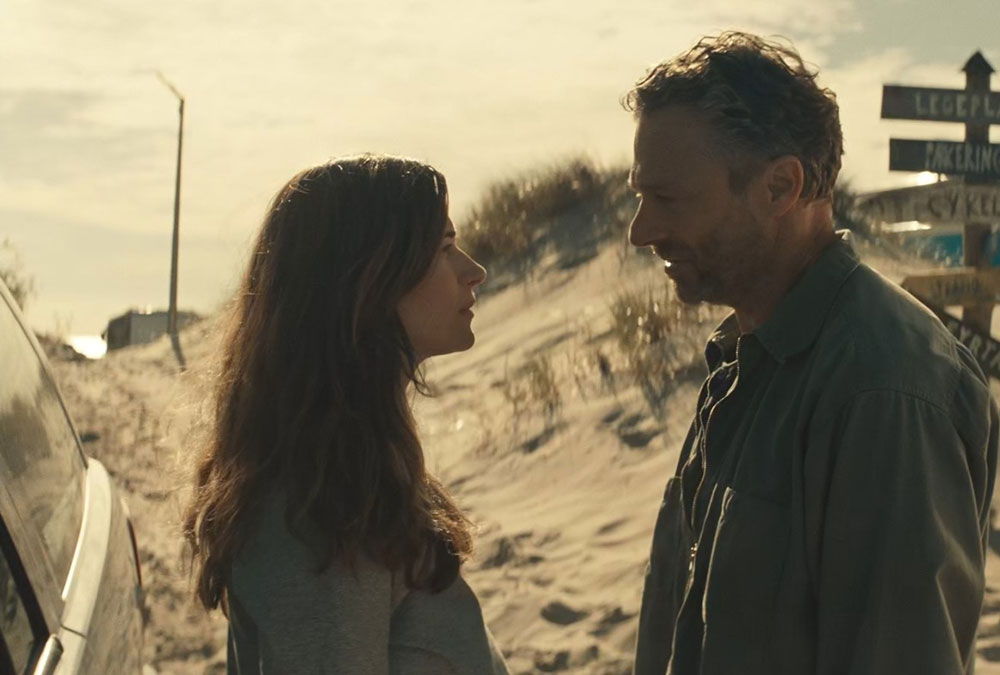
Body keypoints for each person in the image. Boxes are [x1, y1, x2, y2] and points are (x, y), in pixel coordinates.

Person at [624, 32, 998, 675]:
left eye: (668, 199)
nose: (641, 231)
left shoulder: (884, 388)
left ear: (780, 187)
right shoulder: (744, 360)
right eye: (638, 197)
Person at [182, 154, 508, 674]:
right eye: (444, 248)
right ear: (369, 280)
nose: (474, 271)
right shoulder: (317, 513)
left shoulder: (354, 473)